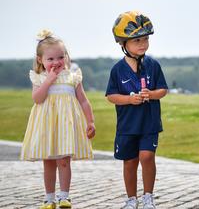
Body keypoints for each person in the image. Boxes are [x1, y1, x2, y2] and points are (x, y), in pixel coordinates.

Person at [21, 30, 96, 209]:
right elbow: (37, 99)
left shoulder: (73, 77)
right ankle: (49, 198)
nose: (56, 62)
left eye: (60, 57)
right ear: (40, 60)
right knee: (48, 162)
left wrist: (90, 121)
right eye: (51, 59)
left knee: (64, 161)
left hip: (65, 126)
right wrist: (49, 80)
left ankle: (64, 196)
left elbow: (83, 100)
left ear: (66, 57)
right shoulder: (39, 77)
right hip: (47, 126)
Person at [106, 11, 168, 209]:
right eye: (137, 40)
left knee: (147, 156)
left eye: (145, 39)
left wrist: (151, 94)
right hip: (127, 125)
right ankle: (131, 199)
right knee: (130, 162)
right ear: (123, 43)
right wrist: (129, 99)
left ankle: (148, 196)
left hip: (149, 122)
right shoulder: (117, 69)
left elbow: (163, 90)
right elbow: (111, 96)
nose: (142, 44)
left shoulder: (153, 65)